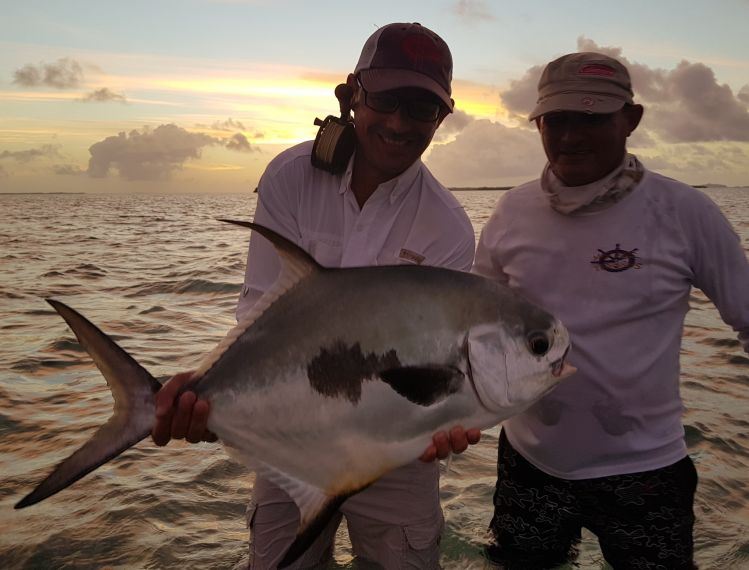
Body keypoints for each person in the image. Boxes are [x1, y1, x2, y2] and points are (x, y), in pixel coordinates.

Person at [151, 22, 481, 569]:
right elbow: (264, 313)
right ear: (350, 94)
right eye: (384, 99)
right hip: (290, 442)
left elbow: (435, 363)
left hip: (398, 451)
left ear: (443, 116)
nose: (399, 123)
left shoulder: (447, 227)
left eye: (420, 110)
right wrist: (213, 394)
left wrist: (447, 417)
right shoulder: (289, 176)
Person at [473, 51, 749, 569]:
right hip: (530, 462)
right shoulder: (510, 212)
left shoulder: (686, 212)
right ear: (538, 123)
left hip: (646, 470)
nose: (571, 136)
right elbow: (472, 332)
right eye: (556, 120)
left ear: (631, 119)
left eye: (591, 118)